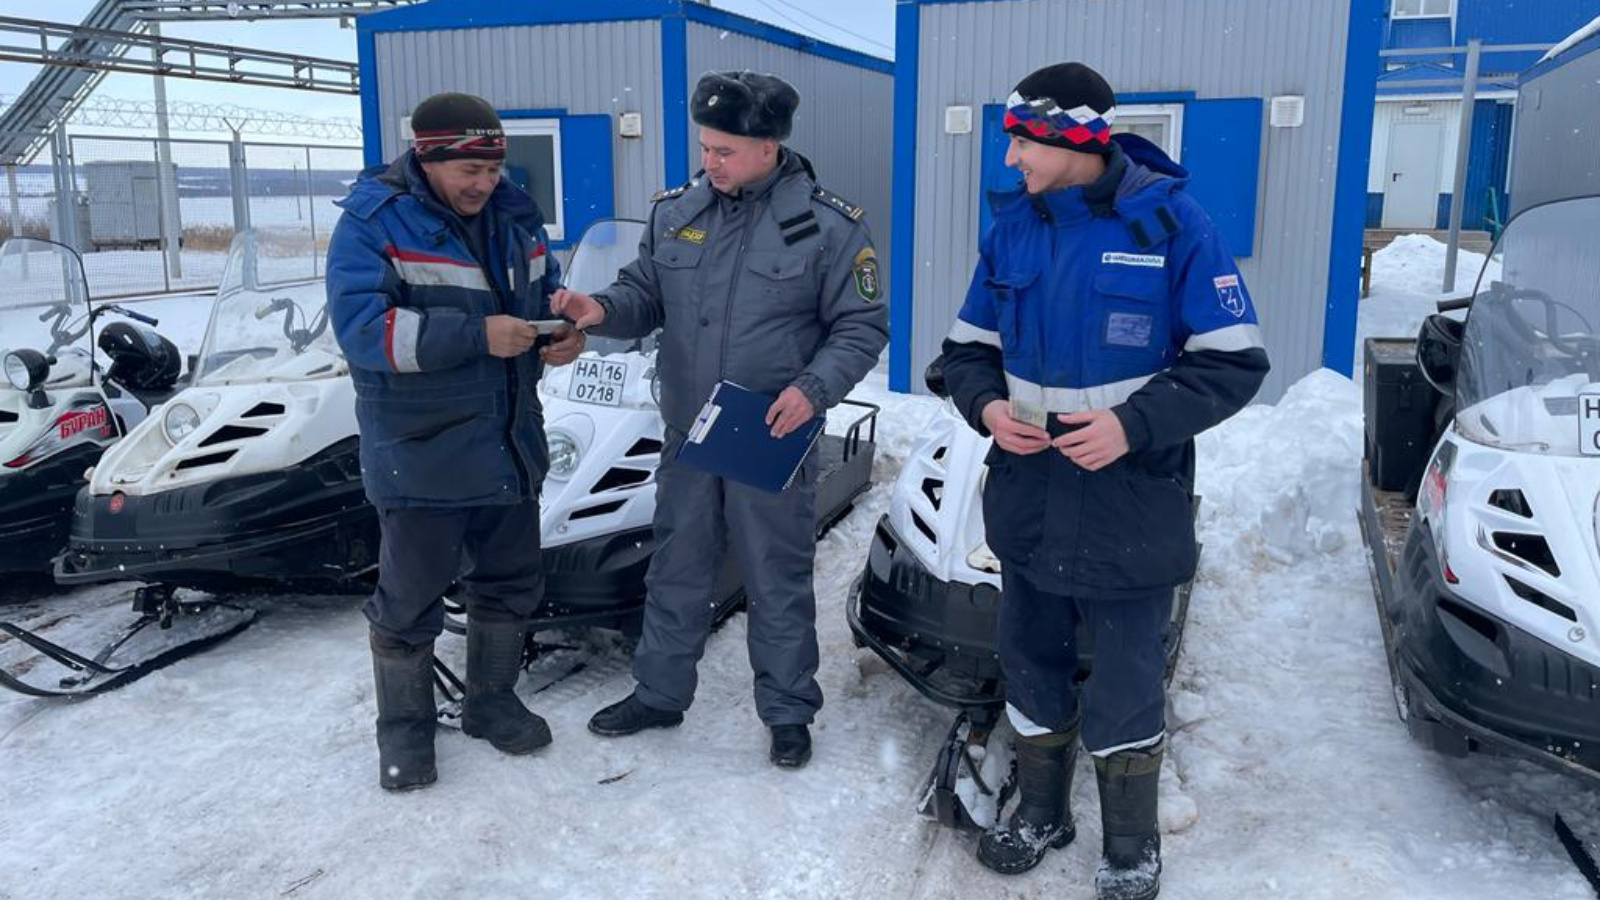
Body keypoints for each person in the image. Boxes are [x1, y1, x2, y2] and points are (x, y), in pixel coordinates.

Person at [940, 63, 1270, 898]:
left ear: (1070, 139)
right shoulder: (1012, 229)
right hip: (1029, 495)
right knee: (1030, 662)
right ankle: (1041, 812)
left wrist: (1132, 425)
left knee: (1125, 680)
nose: (1010, 158)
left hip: (1130, 502)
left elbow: (1233, 362)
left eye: (1021, 141)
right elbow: (967, 352)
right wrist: (986, 407)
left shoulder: (1170, 223)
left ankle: (1130, 844)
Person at [553, 71, 888, 770]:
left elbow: (860, 326)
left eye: (725, 150)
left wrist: (813, 390)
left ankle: (788, 711)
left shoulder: (827, 227)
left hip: (769, 434)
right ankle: (659, 693)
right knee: (675, 565)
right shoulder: (678, 212)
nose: (710, 161)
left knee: (775, 576)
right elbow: (645, 292)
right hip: (689, 430)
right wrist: (600, 309)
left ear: (770, 146)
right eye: (705, 147)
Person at [325, 92, 585, 792]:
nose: (484, 183)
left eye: (493, 168)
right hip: (422, 450)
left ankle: (491, 702)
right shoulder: (373, 223)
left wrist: (561, 335)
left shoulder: (515, 216)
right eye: (470, 170)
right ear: (428, 157)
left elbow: (546, 296)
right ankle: (405, 729)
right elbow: (364, 333)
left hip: (508, 441)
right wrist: (475, 335)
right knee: (409, 601)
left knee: (509, 584)